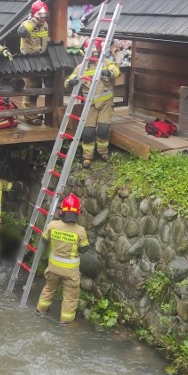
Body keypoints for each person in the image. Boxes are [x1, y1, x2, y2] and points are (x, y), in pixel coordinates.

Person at [65, 38, 121, 168]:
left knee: (103, 129)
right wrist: (71, 82)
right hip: (89, 104)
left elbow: (116, 71)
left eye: (96, 52)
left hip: (106, 103)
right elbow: (69, 80)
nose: (94, 55)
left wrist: (109, 72)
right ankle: (87, 157)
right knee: (88, 132)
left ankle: (103, 153)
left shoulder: (106, 63)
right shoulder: (81, 67)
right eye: (92, 52)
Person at [35, 194, 90, 324]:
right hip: (70, 272)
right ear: (78, 213)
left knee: (48, 289)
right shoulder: (80, 231)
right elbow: (84, 250)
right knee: (70, 297)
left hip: (53, 268)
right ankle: (65, 322)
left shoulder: (52, 225)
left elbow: (43, 240)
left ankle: (40, 310)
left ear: (62, 211)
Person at [17, 0, 49, 125]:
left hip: (40, 60)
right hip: (29, 60)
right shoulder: (27, 24)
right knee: (31, 89)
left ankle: (32, 114)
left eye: (45, 15)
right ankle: (29, 117)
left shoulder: (45, 25)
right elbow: (21, 33)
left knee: (37, 89)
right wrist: (35, 20)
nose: (43, 18)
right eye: (41, 16)